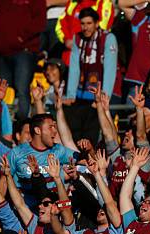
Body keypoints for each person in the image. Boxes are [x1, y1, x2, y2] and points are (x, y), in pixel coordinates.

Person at [64, 7, 118, 144]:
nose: (85, 27)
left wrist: (103, 97)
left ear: (96, 23)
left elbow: (110, 69)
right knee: (76, 137)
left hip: (96, 99)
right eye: (83, 23)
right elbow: (74, 67)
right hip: (79, 97)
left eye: (89, 23)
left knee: (91, 139)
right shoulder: (77, 38)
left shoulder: (108, 38)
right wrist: (70, 94)